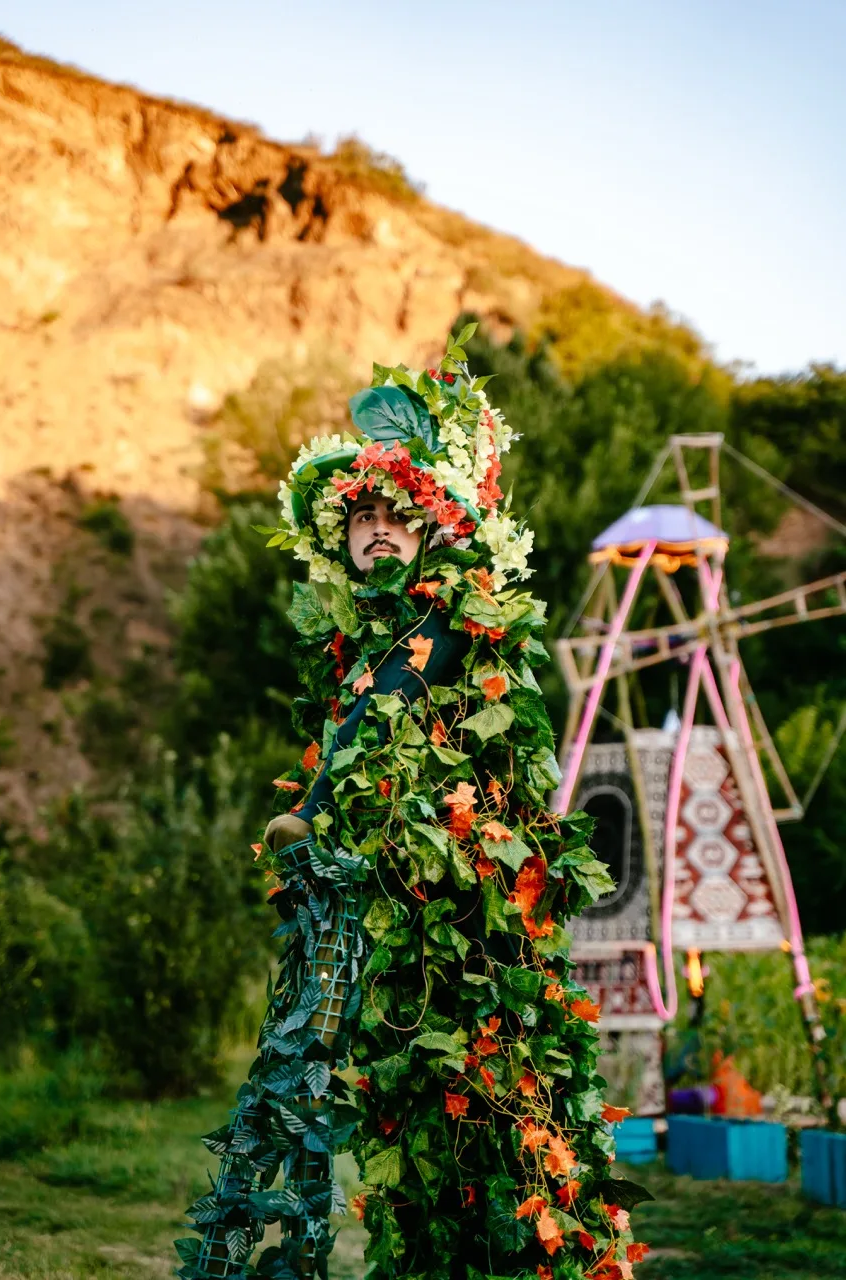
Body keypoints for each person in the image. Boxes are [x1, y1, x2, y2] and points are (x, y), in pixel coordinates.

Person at [176, 332, 648, 1280]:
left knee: (488, 1119)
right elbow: (350, 737)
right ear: (343, 541)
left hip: (460, 922)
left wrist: (330, 812)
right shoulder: (354, 645)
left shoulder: (458, 617)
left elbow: (426, 729)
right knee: (379, 1110)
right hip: (376, 906)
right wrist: (317, 818)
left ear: (432, 529)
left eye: (398, 513)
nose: (378, 529)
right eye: (362, 518)